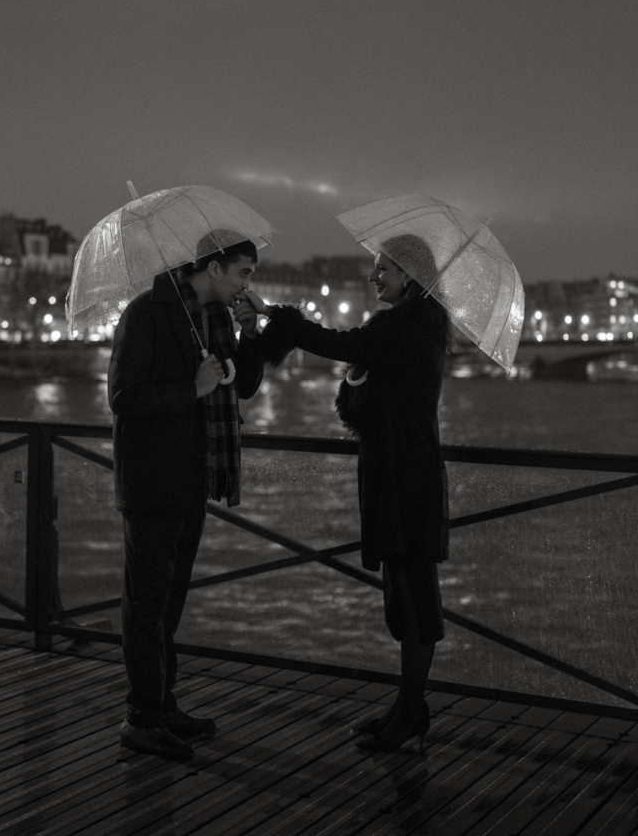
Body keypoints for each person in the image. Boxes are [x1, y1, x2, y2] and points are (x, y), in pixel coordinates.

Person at [256, 234, 449, 752]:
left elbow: (340, 344)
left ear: (409, 275)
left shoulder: (402, 327)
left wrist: (281, 320)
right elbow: (361, 361)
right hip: (406, 471)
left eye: (382, 268)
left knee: (411, 596)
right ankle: (407, 706)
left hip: (403, 476)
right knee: (407, 592)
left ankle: (409, 712)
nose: (373, 277)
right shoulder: (417, 326)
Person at [109, 233, 266, 761]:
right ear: (215, 267)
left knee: (169, 604)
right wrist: (191, 390)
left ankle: (163, 704)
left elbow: (241, 388)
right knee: (146, 605)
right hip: (152, 480)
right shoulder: (147, 313)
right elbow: (123, 397)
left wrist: (252, 333)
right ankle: (140, 717)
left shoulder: (216, 319)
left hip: (192, 477)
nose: (247, 284)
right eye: (242, 273)